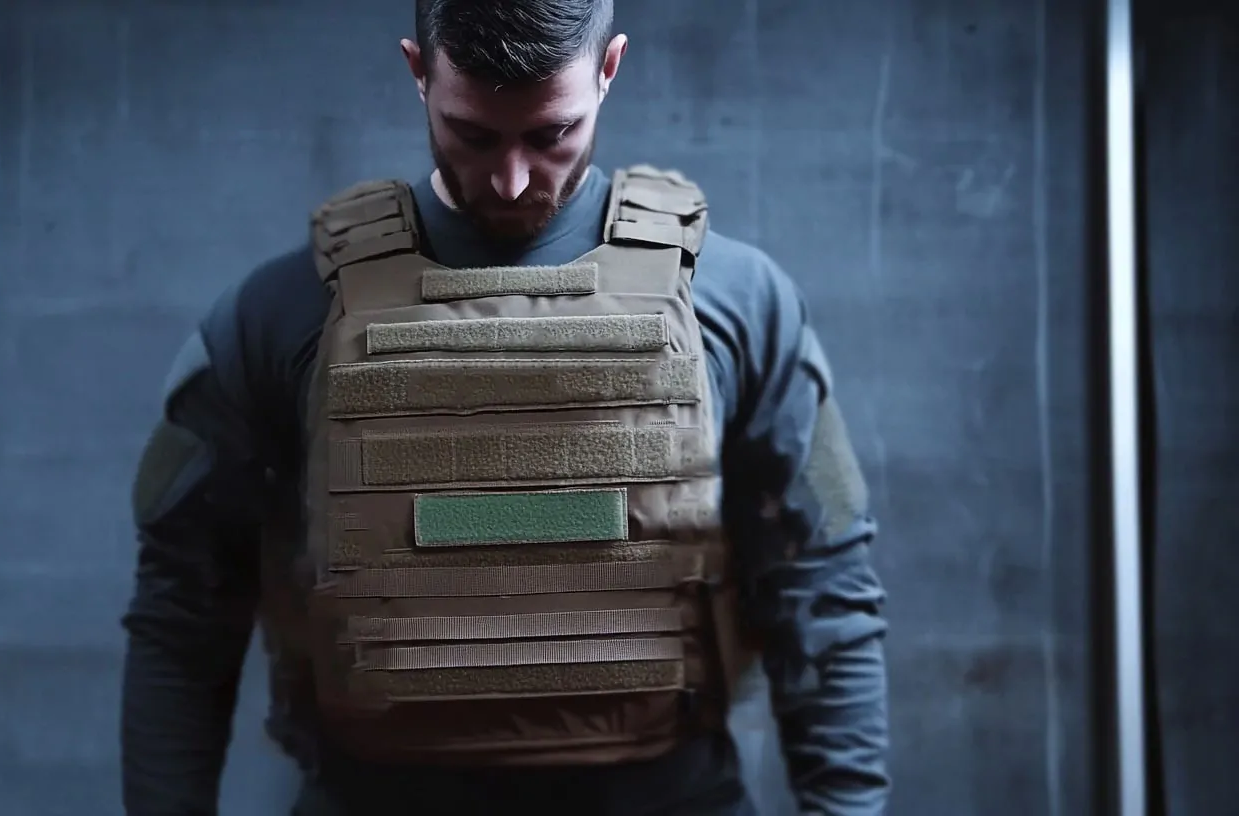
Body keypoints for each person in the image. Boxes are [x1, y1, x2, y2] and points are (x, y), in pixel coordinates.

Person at [120, 1, 890, 814]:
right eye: (474, 134)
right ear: (419, 71)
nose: (513, 179)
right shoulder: (281, 314)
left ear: (610, 67)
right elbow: (182, 611)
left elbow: (825, 588)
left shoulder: (739, 303)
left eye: (551, 134)